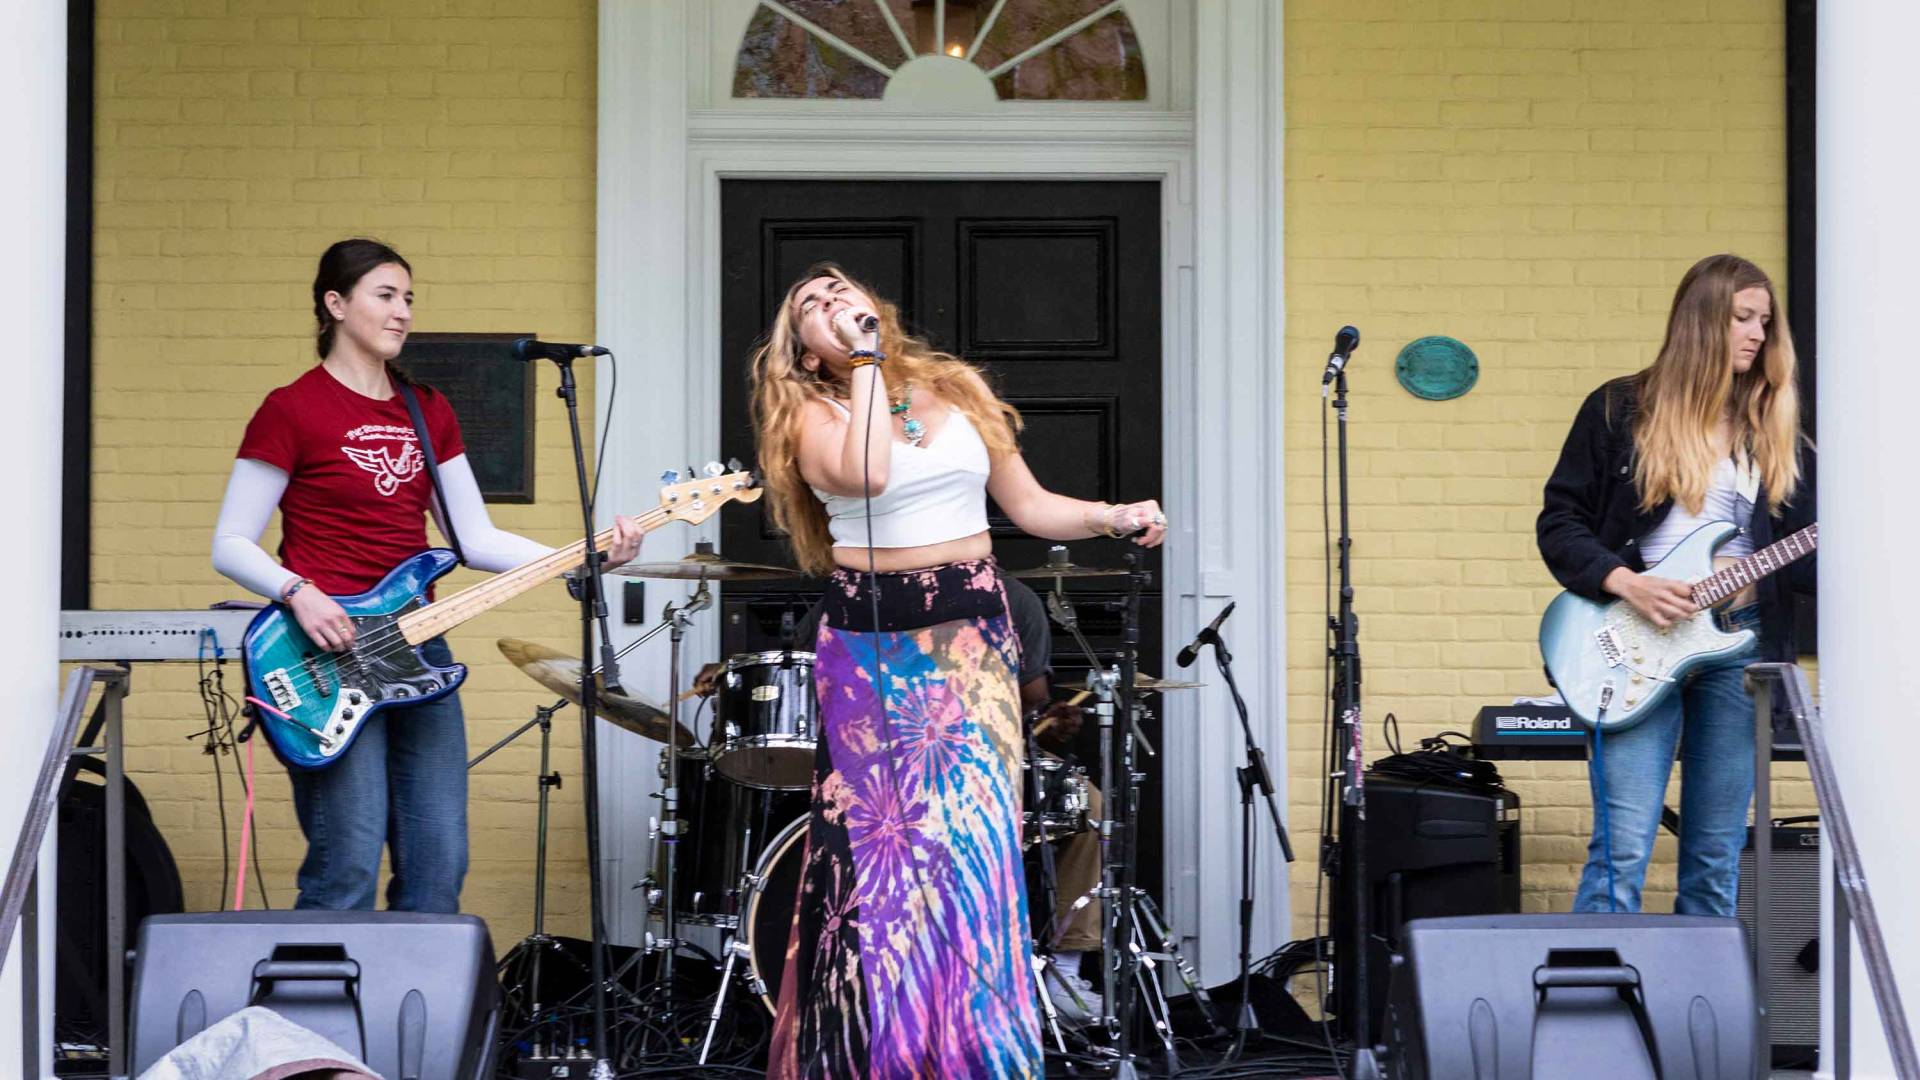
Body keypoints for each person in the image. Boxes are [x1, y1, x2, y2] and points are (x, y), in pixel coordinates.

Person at [751, 263, 1164, 1078]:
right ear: (799, 347)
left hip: (972, 635)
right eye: (812, 305)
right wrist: (864, 365)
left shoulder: (956, 388)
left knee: (973, 856)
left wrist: (1113, 515)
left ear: (876, 306)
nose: (833, 305)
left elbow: (1031, 505)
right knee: (881, 863)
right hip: (873, 642)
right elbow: (865, 477)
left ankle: (977, 1059)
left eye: (842, 292)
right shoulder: (806, 410)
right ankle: (876, 1060)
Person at [210, 238, 644, 912]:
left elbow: (473, 538)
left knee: (439, 861)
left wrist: (582, 557)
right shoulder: (292, 408)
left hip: (417, 649)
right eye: (386, 295)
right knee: (345, 863)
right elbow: (231, 543)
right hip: (325, 652)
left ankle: (411, 1018)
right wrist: (298, 592)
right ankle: (321, 1018)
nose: (403, 312)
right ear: (335, 303)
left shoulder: (427, 409)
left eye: (408, 298)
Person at [1537, 253, 1815, 916]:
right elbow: (1560, 521)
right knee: (1623, 849)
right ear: (1700, 323)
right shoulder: (1619, 410)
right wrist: (1626, 582)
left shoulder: (1775, 433)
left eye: (1764, 322)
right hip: (1634, 638)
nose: (1756, 334)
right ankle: (1595, 1016)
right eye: (1741, 318)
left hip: (1737, 650)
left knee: (1715, 855)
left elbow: (1806, 561)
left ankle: (1699, 1018)